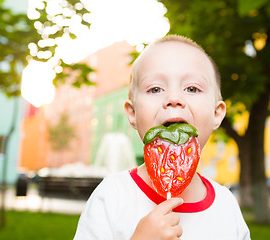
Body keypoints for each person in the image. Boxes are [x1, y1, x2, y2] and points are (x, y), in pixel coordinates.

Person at [73, 35, 251, 240]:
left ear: (216, 113)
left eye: (192, 88)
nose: (174, 99)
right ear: (132, 113)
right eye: (155, 89)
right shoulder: (112, 196)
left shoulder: (226, 206)